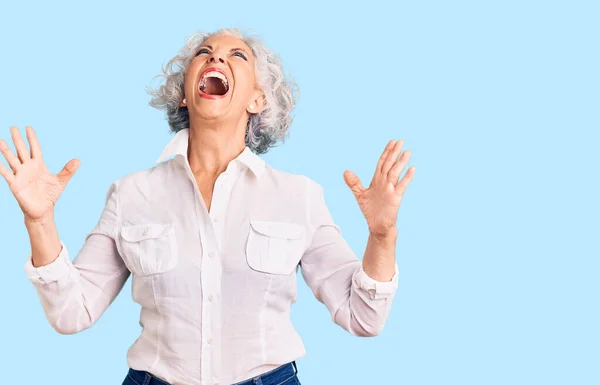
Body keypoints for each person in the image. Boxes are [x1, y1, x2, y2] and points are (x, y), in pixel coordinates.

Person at [0, 28, 416, 385]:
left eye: (238, 55)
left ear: (257, 99)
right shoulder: (131, 194)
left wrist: (382, 236)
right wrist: (39, 220)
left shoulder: (299, 196)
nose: (216, 56)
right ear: (184, 95)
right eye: (205, 52)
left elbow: (364, 318)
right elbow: (72, 313)